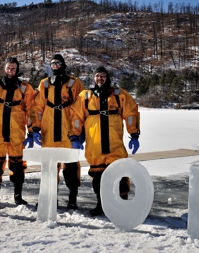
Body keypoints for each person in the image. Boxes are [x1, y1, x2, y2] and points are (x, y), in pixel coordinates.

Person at [69, 66, 140, 216]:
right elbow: (76, 117)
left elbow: (131, 113)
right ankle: (101, 205)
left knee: (120, 175)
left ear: (107, 77)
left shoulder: (119, 95)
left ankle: (123, 205)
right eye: (97, 76)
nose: (99, 78)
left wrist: (134, 134)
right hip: (95, 146)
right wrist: (74, 136)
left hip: (115, 144)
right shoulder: (85, 96)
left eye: (102, 76)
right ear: (93, 78)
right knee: (98, 177)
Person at [30, 53, 85, 210]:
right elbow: (37, 108)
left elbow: (82, 108)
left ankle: (72, 198)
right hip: (49, 131)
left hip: (69, 132)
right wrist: (35, 128)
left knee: (71, 166)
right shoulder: (44, 84)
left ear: (63, 64)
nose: (55, 66)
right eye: (53, 64)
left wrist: (81, 132)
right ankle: (49, 197)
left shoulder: (75, 83)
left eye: (58, 63)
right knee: (49, 167)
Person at [0, 57, 35, 205]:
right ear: (4, 68)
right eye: (8, 68)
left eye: (13, 69)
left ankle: (18, 197)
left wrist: (32, 132)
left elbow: (31, 111)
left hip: (17, 135)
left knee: (18, 167)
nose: (10, 71)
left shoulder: (24, 89)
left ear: (17, 70)